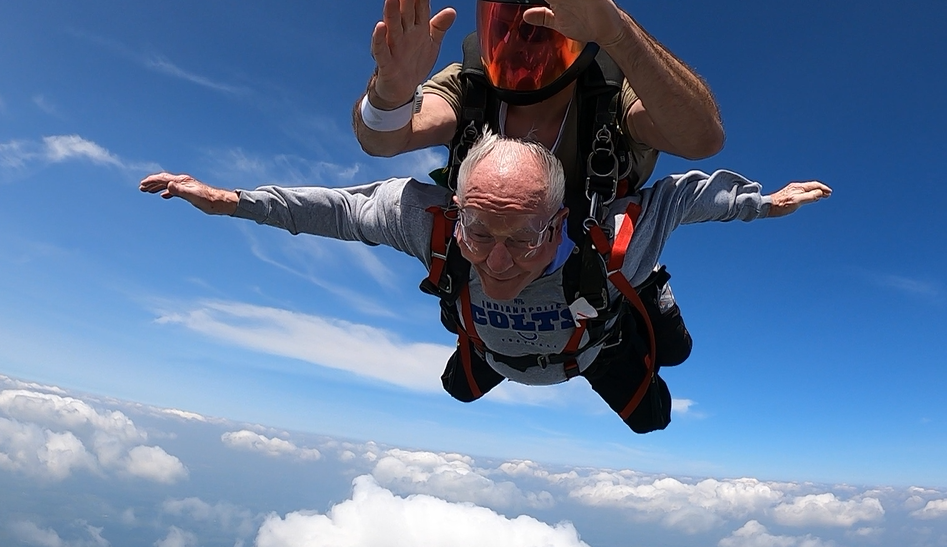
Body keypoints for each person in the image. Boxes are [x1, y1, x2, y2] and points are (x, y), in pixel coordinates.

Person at [139, 133, 831, 432]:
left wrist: (761, 202)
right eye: (480, 234)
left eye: (526, 238)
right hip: (506, 352)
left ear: (559, 220)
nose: (497, 262)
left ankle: (648, 292)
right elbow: (339, 209)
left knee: (655, 414)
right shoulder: (431, 224)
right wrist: (232, 200)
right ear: (456, 211)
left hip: (592, 350)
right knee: (456, 389)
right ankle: (635, 297)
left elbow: (682, 195)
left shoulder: (613, 234)